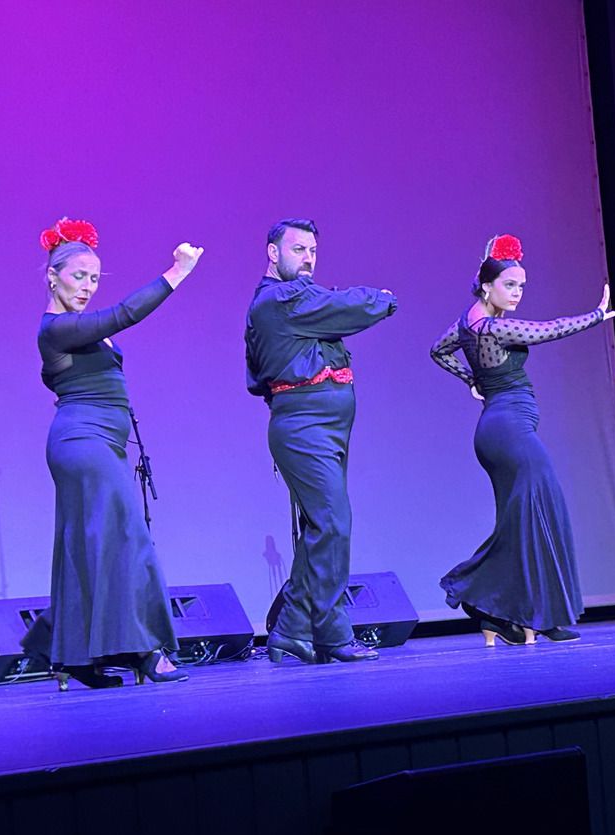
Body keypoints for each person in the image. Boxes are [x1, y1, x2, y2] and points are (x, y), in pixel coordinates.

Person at [29, 216, 202, 688]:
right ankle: (145, 648)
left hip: (102, 440)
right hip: (81, 443)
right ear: (53, 276)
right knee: (127, 536)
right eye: (77, 276)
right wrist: (176, 273)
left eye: (92, 278)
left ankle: (77, 657)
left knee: (89, 544)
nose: (86, 287)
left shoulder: (79, 328)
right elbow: (124, 313)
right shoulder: (57, 328)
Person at [430, 234, 615, 646]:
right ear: (486, 285)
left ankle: (500, 614)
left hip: (497, 428)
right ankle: (501, 601)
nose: (516, 293)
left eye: (521, 286)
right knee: (542, 513)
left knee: (520, 523)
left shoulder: (467, 322)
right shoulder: (495, 327)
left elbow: (437, 351)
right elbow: (549, 329)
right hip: (509, 430)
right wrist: (596, 316)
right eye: (509, 285)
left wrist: (472, 381)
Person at [245, 218, 397, 664]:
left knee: (322, 529)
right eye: (298, 250)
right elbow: (349, 307)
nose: (308, 258)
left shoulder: (301, 302)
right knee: (333, 524)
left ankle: (294, 631)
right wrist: (382, 299)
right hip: (304, 425)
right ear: (273, 253)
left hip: (327, 425)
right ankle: (328, 631)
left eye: (312, 250)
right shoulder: (280, 299)